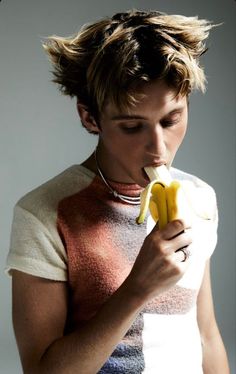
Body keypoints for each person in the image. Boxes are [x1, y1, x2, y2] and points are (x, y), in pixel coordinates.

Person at [6, 9, 230, 374]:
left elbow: (206, 336)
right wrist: (137, 289)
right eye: (131, 126)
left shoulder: (200, 198)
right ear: (89, 117)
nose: (158, 148)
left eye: (171, 120)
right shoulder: (45, 213)